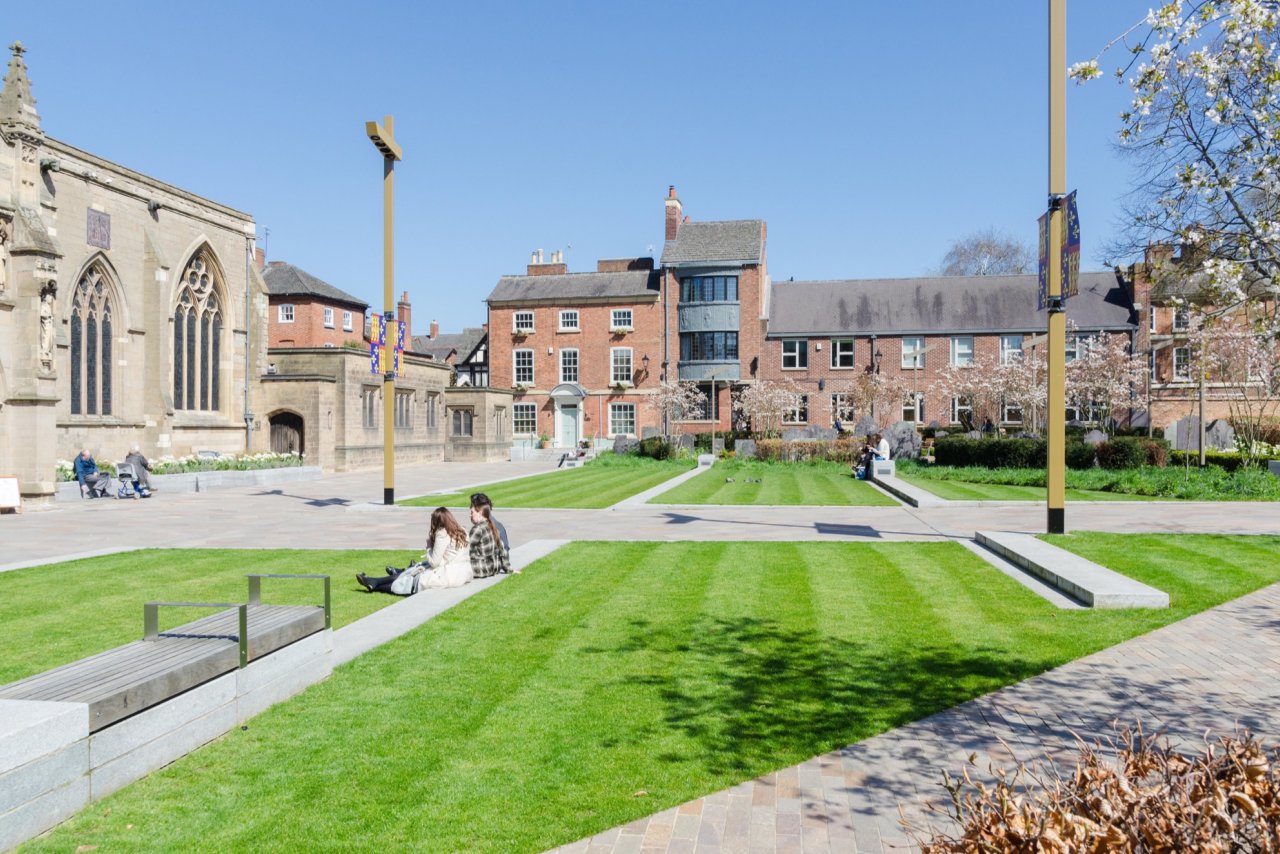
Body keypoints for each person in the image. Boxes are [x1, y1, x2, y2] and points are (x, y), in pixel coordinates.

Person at [357, 507, 471, 594]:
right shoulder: (462, 531)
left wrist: (429, 547)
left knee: (411, 580)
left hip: (446, 575)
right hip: (461, 572)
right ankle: (374, 581)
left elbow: (435, 562)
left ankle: (375, 584)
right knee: (415, 570)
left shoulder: (442, 534)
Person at [469, 494, 512, 578]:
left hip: (483, 568)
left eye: (472, 512)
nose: (470, 515)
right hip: (495, 566)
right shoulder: (493, 525)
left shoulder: (478, 529)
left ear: (480, 512)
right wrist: (508, 568)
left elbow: (466, 550)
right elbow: (503, 550)